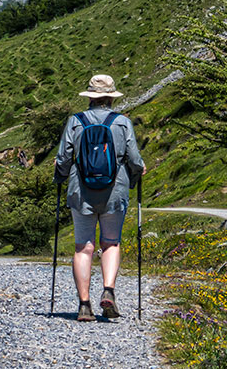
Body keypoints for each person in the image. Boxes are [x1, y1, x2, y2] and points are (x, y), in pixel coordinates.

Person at [54, 74, 145, 322]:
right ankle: (108, 290)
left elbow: (63, 158)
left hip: (80, 189)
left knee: (83, 246)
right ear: (111, 98)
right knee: (111, 243)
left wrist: (60, 178)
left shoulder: (76, 121)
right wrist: (135, 177)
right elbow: (135, 160)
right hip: (115, 190)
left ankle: (84, 306)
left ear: (91, 98)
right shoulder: (122, 123)